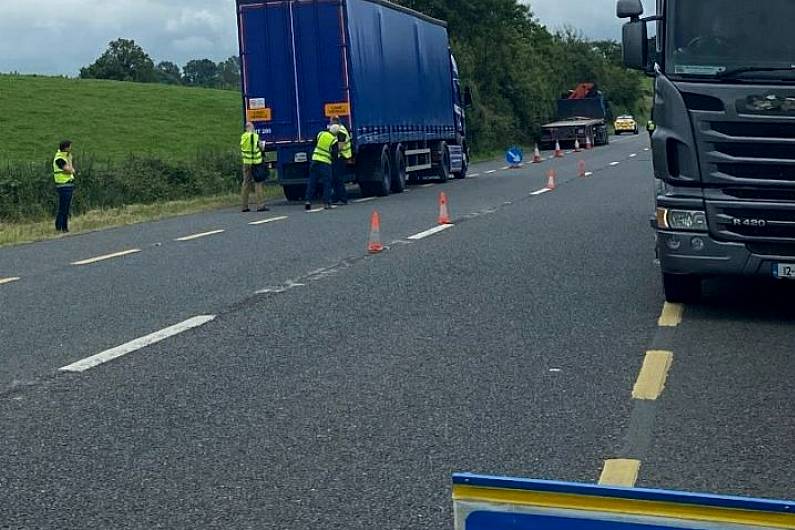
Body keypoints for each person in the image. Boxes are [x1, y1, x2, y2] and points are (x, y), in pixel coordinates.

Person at [305, 124, 340, 211]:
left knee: (312, 182)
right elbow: (335, 154)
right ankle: (327, 202)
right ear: (336, 133)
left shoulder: (321, 134)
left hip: (315, 161)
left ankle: (308, 201)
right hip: (325, 163)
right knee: (327, 183)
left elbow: (313, 144)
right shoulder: (334, 140)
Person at [240, 122, 269, 213]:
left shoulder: (243, 137)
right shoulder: (255, 136)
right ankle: (260, 205)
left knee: (246, 184)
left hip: (246, 163)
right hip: (256, 162)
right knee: (258, 183)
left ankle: (244, 206)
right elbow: (261, 147)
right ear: (251, 128)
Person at [53, 140, 76, 233]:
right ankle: (62, 227)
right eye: (70, 146)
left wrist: (70, 163)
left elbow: (72, 170)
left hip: (68, 184)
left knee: (65, 207)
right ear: (66, 148)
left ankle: (61, 227)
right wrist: (70, 162)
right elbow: (69, 170)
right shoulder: (59, 158)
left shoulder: (65, 157)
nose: (71, 148)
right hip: (63, 185)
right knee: (64, 207)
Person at [330, 117, 352, 205]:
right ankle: (337, 197)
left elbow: (340, 147)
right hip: (339, 157)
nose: (330, 124)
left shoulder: (341, 132)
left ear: (335, 123)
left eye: (331, 122)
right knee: (336, 177)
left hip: (341, 157)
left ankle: (343, 198)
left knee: (338, 178)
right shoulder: (339, 130)